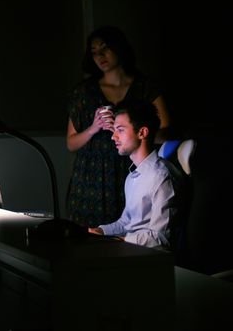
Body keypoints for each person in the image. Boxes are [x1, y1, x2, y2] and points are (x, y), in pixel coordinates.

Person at [66, 25, 171, 227]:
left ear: (119, 48)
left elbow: (168, 132)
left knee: (133, 229)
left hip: (132, 170)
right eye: (94, 52)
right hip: (91, 179)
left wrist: (131, 128)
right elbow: (70, 143)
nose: (100, 56)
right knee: (89, 238)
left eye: (105, 48)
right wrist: (94, 127)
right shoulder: (84, 92)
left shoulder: (145, 87)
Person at [88, 100, 182, 249]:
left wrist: (119, 240)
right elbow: (127, 222)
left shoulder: (161, 177)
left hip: (152, 260)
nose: (113, 137)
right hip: (133, 251)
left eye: (120, 130)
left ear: (142, 132)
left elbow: (161, 238)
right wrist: (101, 231)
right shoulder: (133, 176)